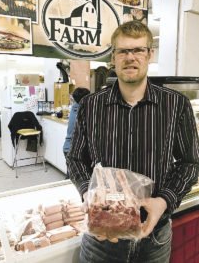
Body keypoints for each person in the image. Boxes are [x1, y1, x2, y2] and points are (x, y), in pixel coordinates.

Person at [66, 20, 199, 263]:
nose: (131, 57)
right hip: (101, 239)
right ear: (113, 57)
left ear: (150, 54)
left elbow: (190, 162)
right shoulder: (91, 105)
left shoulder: (176, 105)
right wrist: (87, 193)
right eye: (123, 51)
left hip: (154, 238)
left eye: (138, 50)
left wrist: (164, 200)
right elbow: (75, 157)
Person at [63, 87, 90, 177]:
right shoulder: (83, 112)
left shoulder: (75, 107)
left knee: (71, 176)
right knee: (77, 179)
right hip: (75, 150)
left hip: (67, 147)